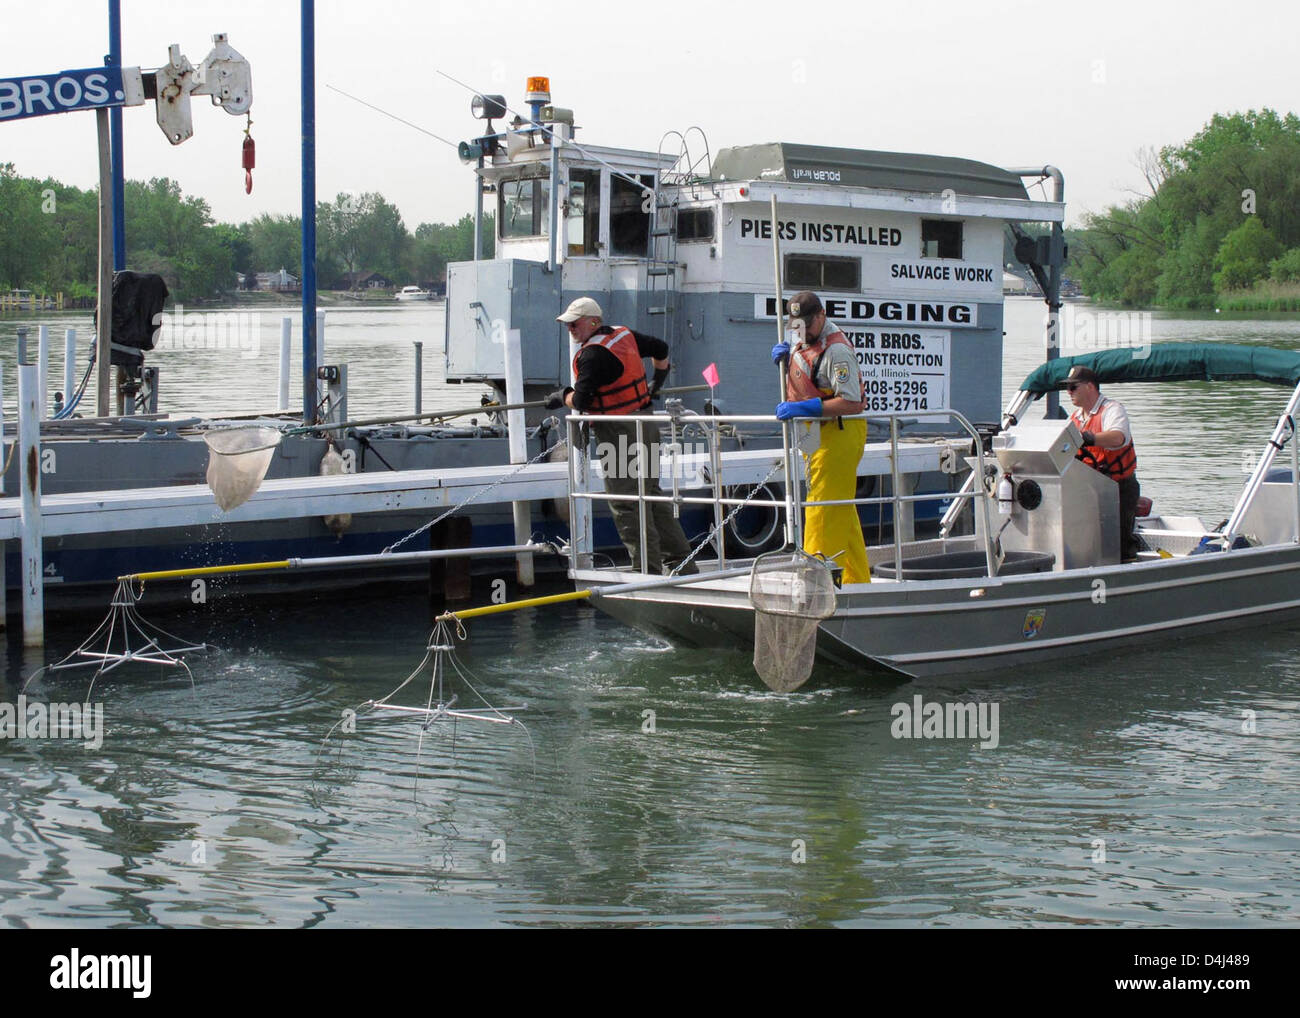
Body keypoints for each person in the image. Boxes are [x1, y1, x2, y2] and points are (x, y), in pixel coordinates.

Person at [547, 296, 697, 574]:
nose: (570, 329)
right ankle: (681, 561)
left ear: (593, 321)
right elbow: (661, 349)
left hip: (618, 433)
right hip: (645, 422)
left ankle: (646, 570)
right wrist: (657, 382)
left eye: (574, 323)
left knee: (626, 503)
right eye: (567, 324)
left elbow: (580, 401)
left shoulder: (591, 355)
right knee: (650, 494)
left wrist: (561, 396)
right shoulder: (623, 335)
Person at [771, 291, 871, 583]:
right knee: (840, 507)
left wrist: (806, 407)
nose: (801, 332)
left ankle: (815, 578)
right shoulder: (800, 338)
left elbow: (853, 403)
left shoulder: (837, 352)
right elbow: (807, 375)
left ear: (821, 316)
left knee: (823, 507)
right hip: (810, 432)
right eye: (796, 326)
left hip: (838, 431)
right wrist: (786, 360)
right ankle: (856, 579)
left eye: (806, 326)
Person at [1063, 364, 1141, 561]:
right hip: (1088, 489)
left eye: (1073, 387)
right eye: (1067, 387)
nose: (1068, 392)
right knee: (1087, 540)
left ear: (1090, 386)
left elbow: (1117, 438)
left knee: (1119, 543)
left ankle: (1127, 572)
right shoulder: (1075, 417)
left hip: (1117, 488)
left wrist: (1088, 438)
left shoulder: (1112, 409)